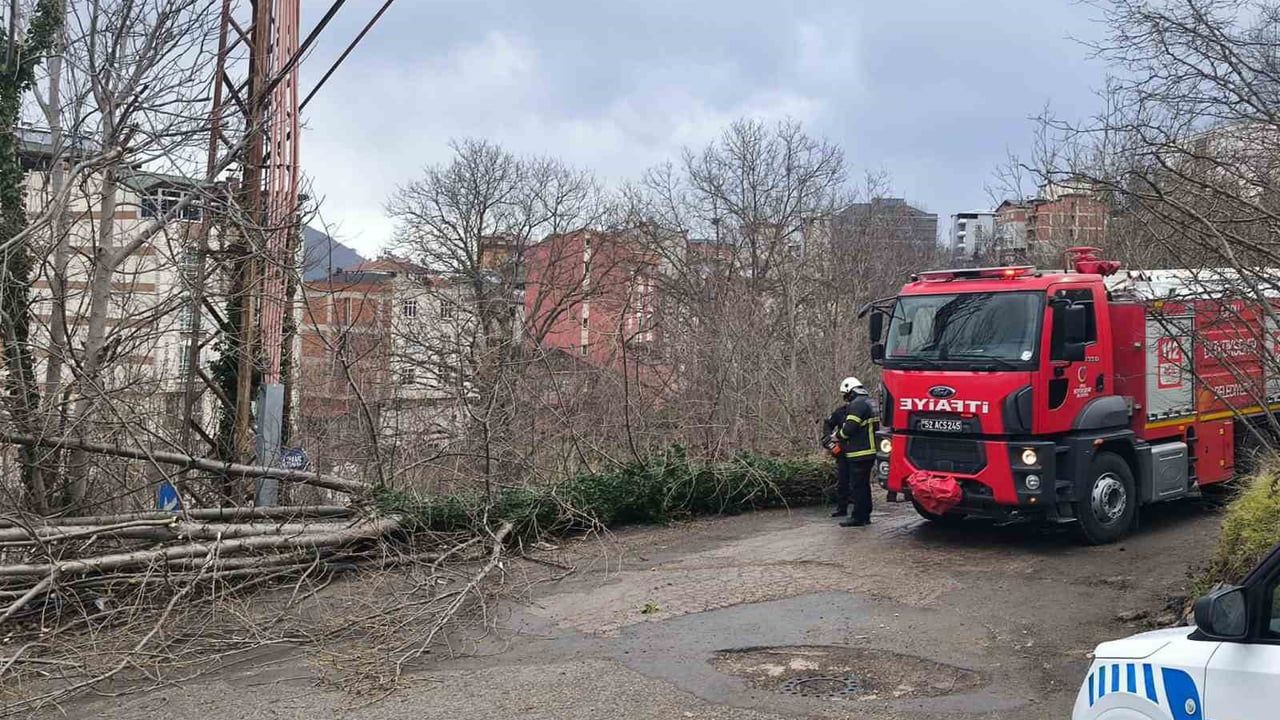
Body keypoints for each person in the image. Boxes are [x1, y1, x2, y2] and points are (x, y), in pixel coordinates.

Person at [821, 376, 878, 527]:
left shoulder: (857, 404)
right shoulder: (871, 402)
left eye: (846, 395)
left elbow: (849, 428)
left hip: (859, 452)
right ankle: (865, 515)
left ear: (850, 391)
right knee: (864, 485)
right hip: (870, 450)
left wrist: (836, 437)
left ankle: (858, 517)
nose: (845, 399)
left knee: (857, 486)